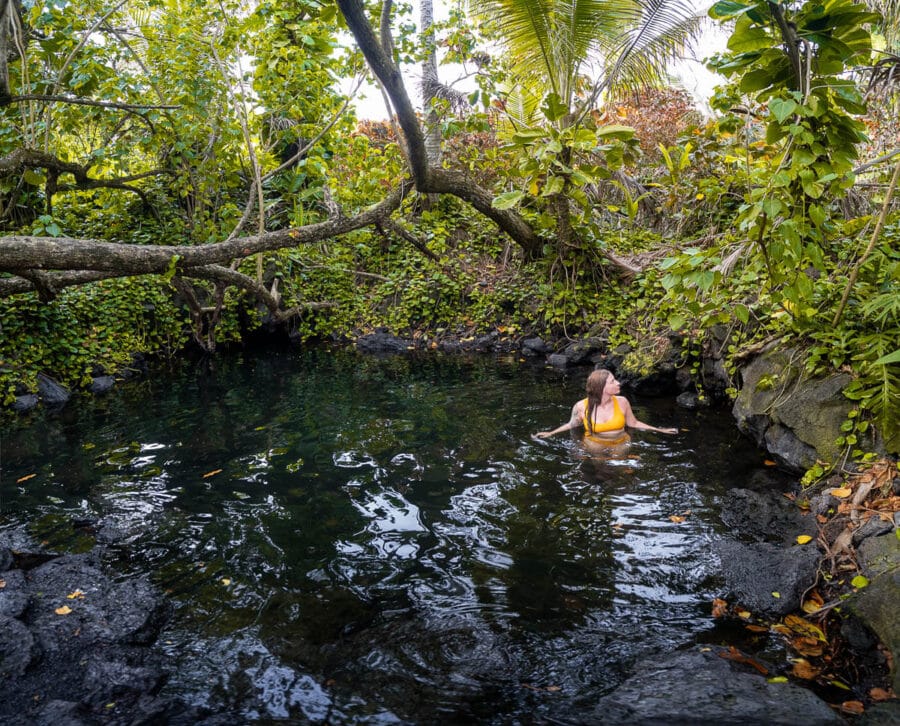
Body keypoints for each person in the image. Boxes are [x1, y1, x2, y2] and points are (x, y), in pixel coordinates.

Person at [534, 368, 678, 442]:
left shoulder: (622, 402)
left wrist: (660, 431)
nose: (618, 383)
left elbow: (633, 423)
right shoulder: (581, 406)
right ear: (601, 388)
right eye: (612, 382)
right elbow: (572, 424)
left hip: (621, 445)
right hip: (594, 448)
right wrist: (551, 433)